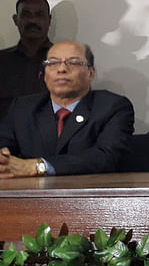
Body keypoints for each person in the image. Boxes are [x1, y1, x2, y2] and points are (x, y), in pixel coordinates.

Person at [0, 41, 134, 177]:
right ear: (45, 75)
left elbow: (107, 157)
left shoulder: (112, 107)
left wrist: (38, 166)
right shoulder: (22, 108)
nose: (62, 69)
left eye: (73, 62)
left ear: (91, 73)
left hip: (89, 195)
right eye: (53, 63)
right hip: (27, 194)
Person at [0, 0, 53, 121]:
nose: (32, 21)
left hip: (52, 139)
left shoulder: (69, 62)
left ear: (49, 20)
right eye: (26, 15)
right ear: (15, 19)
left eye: (39, 15)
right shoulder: (2, 61)